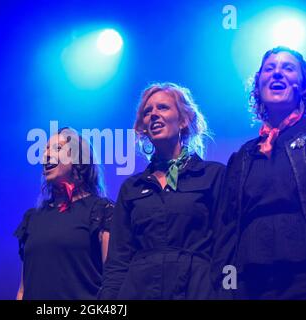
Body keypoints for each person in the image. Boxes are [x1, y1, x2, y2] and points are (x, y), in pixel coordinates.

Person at [99, 82, 225, 299]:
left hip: (197, 291)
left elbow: (226, 247)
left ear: (184, 120)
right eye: (148, 112)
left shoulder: (213, 176)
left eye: (163, 108)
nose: (154, 115)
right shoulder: (132, 188)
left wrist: (228, 293)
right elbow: (118, 261)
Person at [213, 46, 306, 299]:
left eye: (288, 68)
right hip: (250, 282)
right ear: (258, 85)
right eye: (269, 69)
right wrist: (225, 288)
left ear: (303, 85)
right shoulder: (243, 157)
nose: (277, 74)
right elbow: (226, 229)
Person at [14, 127, 114, 300]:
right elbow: (23, 289)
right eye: (45, 149)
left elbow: (113, 282)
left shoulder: (100, 211)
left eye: (58, 148)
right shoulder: (33, 218)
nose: (46, 154)